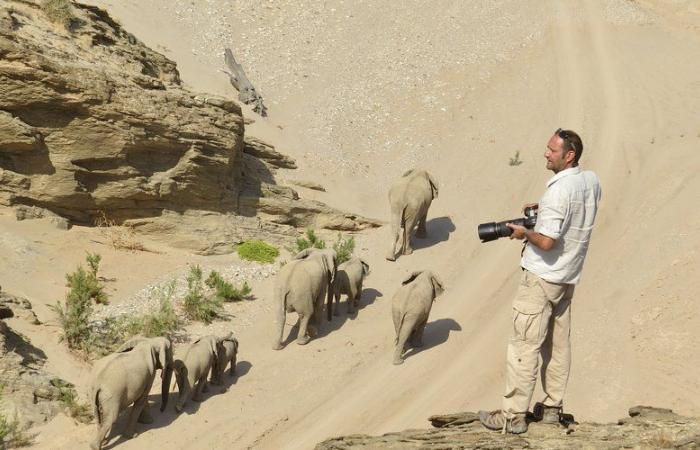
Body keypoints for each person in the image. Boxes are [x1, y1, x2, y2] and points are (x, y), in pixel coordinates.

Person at [479, 128, 602, 434]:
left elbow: (546, 242)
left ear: (569, 155)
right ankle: (552, 408)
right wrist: (544, 209)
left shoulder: (560, 190)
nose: (546, 153)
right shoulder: (590, 181)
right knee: (558, 346)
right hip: (567, 277)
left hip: (542, 278)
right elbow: (574, 210)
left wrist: (523, 233)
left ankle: (512, 417)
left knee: (523, 345)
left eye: (552, 150)